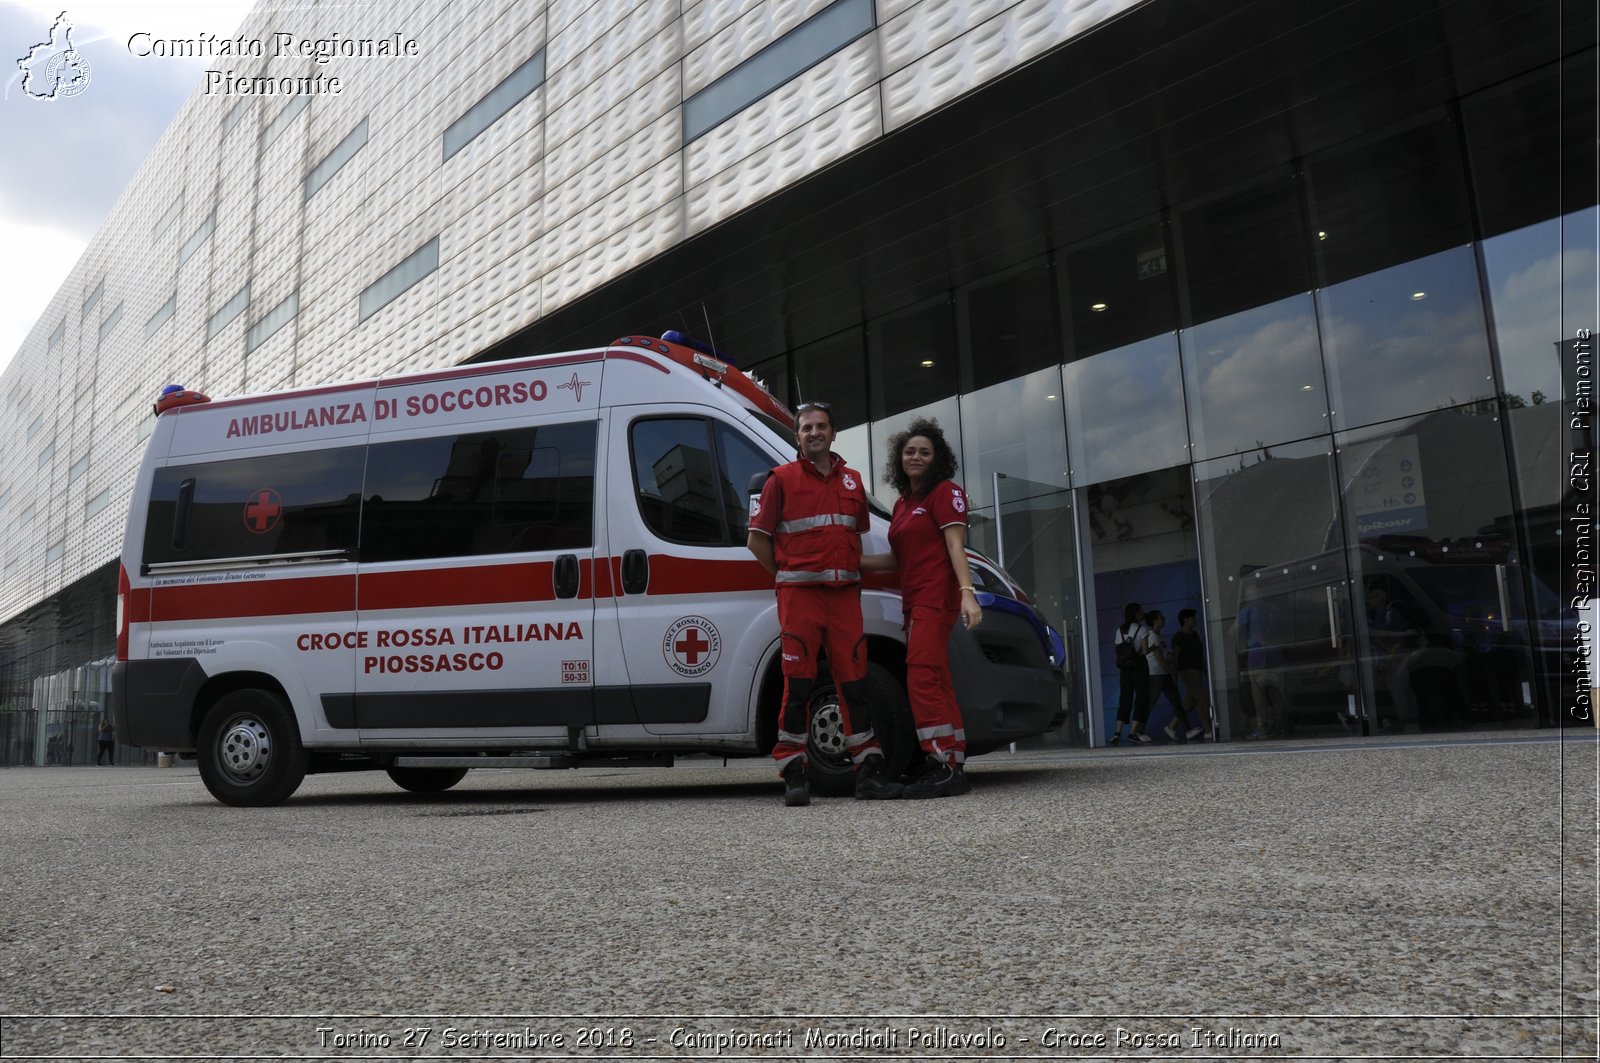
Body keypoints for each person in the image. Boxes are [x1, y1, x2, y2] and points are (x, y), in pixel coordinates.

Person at [747, 400, 901, 806]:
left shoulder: (852, 481)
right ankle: (793, 773)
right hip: (800, 600)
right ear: (797, 437)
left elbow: (854, 541)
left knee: (855, 684)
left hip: (845, 599)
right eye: (806, 428)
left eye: (822, 426)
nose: (814, 433)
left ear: (833, 433)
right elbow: (756, 540)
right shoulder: (779, 480)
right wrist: (785, 574)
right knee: (797, 687)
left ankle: (868, 772)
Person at [860, 417, 981, 799]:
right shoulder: (902, 503)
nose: (915, 457)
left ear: (937, 458)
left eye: (924, 452)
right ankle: (953, 761)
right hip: (914, 603)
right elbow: (899, 558)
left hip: (936, 598)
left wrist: (967, 590)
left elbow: (954, 547)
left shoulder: (945, 492)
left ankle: (940, 763)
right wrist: (854, 562)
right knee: (937, 678)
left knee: (921, 677)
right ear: (900, 458)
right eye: (909, 451)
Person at [1108, 603, 1152, 745]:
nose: (1143, 613)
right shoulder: (1142, 629)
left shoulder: (1119, 630)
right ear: (1136, 613)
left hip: (1125, 669)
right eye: (1141, 611)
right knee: (1141, 697)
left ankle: (1117, 733)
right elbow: (1145, 651)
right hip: (1139, 666)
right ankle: (1133, 733)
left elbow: (1118, 651)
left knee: (1124, 698)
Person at [1169, 608, 1212, 741]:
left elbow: (1200, 654)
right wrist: (1174, 675)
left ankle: (1171, 726)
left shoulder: (1194, 634)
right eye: (1192, 617)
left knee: (1191, 700)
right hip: (1187, 672)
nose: (1195, 620)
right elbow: (1175, 657)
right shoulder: (1179, 637)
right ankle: (1208, 730)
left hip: (1197, 671)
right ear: (1185, 619)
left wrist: (1206, 669)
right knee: (1203, 697)